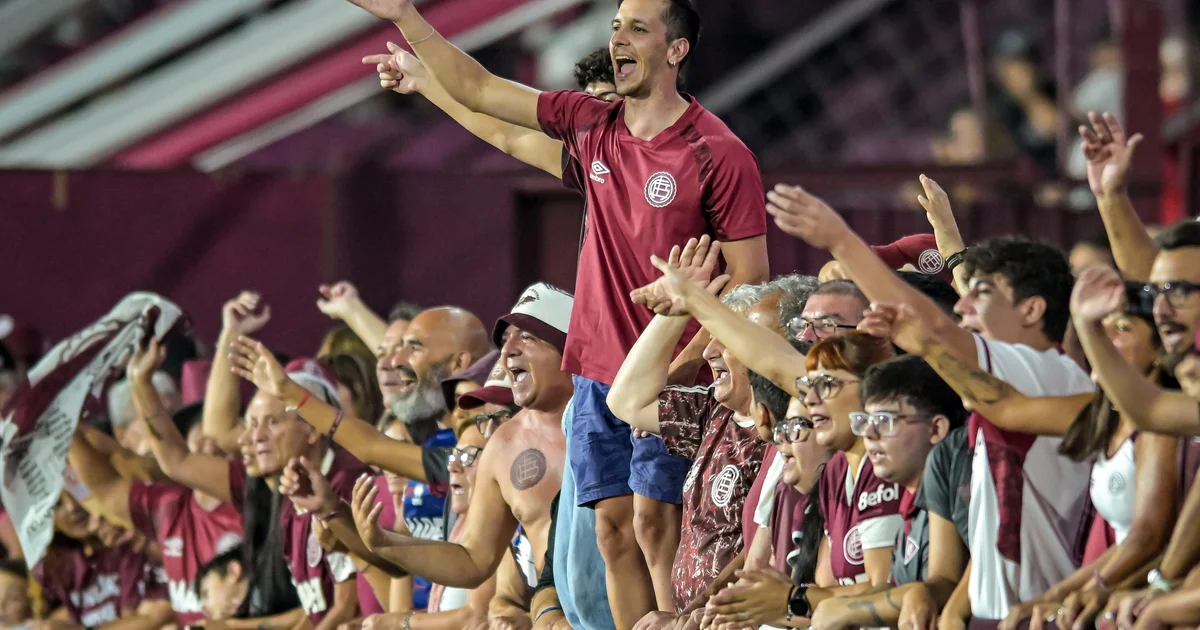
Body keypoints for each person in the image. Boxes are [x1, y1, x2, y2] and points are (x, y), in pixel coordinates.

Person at [349, 0, 771, 622]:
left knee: (659, 524)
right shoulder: (591, 123)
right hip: (598, 371)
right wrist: (407, 17)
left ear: (676, 50)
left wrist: (686, 366)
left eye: (638, 28)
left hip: (673, 373)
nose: (619, 38)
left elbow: (753, 276)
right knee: (613, 532)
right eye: (615, 25)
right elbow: (485, 95)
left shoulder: (718, 152)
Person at [764, 180, 1094, 623]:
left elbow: (935, 329)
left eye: (981, 294)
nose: (963, 305)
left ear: (1032, 311)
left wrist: (840, 240)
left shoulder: (1041, 372)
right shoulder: (1030, 376)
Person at [342, 283, 574, 628]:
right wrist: (384, 542)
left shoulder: (616, 427)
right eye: (506, 338)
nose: (508, 350)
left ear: (569, 349)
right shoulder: (506, 445)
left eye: (527, 337)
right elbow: (472, 559)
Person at [67, 340, 242, 626]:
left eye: (219, 441)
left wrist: (231, 333)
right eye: (195, 436)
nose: (208, 446)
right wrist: (63, 427)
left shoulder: (255, 503)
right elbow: (103, 491)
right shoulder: (170, 505)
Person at [35, 492, 174, 630]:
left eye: (76, 493)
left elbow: (158, 616)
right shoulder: (59, 565)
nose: (72, 507)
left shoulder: (135, 542)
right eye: (57, 504)